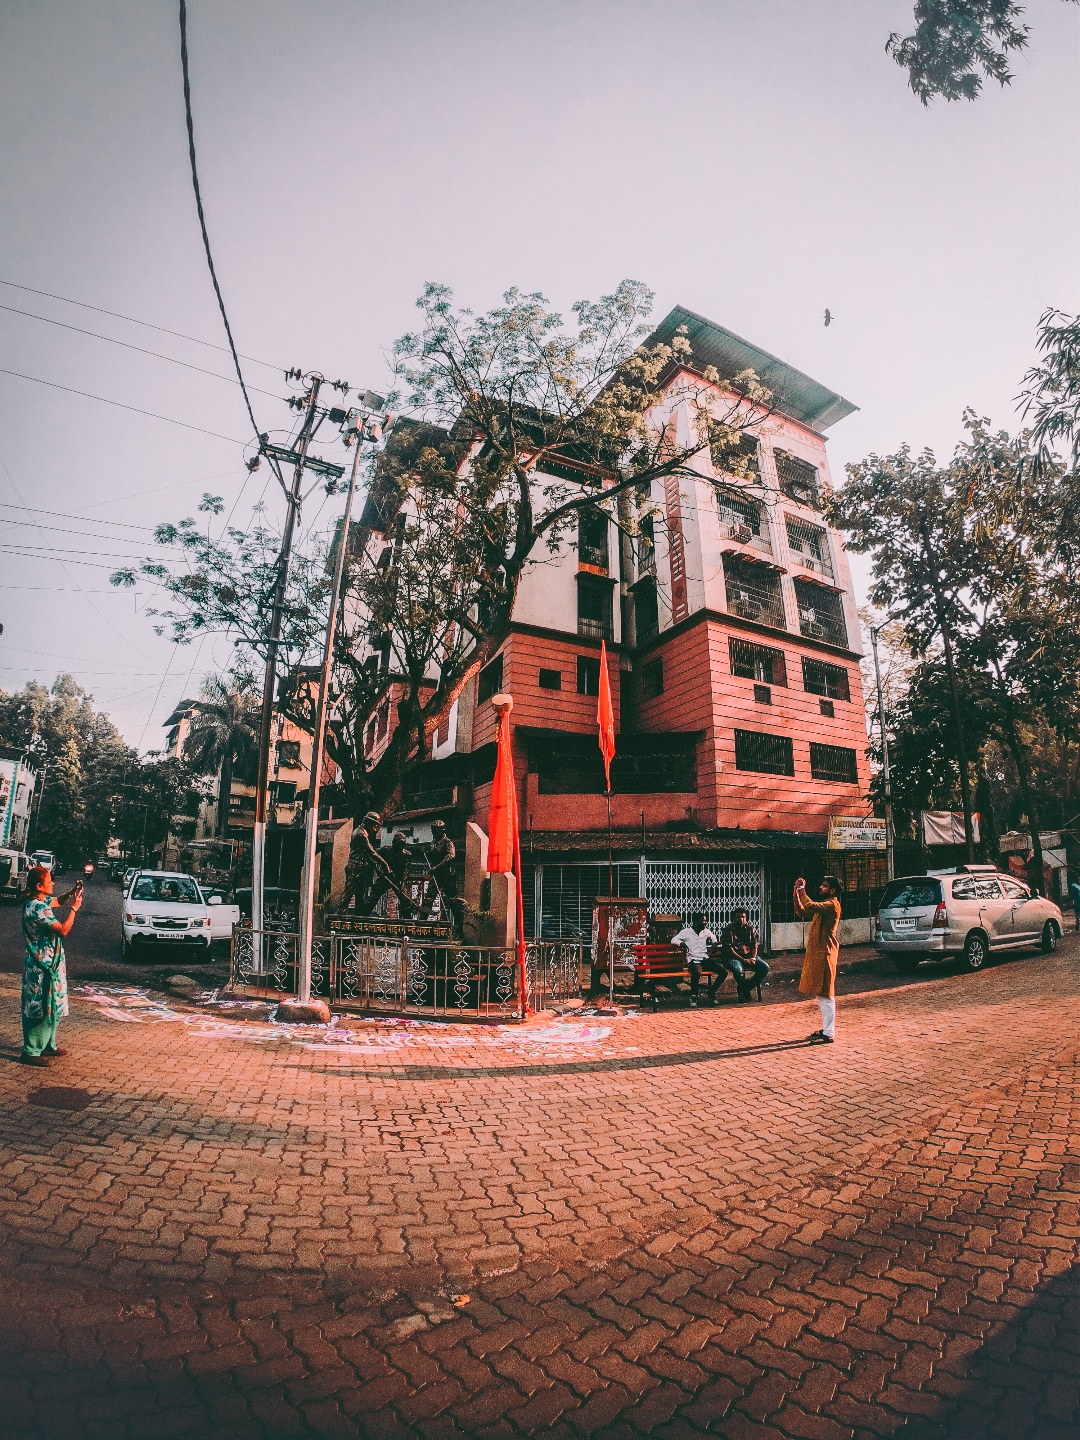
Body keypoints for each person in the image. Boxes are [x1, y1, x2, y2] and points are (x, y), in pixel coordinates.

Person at [21, 866, 82, 1067]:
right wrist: (74, 908)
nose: (53, 883)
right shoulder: (38, 908)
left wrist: (71, 893)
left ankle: (48, 1044)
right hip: (42, 965)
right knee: (38, 1006)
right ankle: (30, 1051)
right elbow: (63, 930)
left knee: (52, 1004)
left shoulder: (37, 902)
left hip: (49, 964)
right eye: (49, 881)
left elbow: (57, 901)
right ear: (39, 886)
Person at [794, 875, 842, 1044]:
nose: (821, 887)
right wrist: (796, 894)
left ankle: (829, 1033)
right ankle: (826, 1029)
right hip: (819, 954)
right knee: (821, 993)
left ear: (832, 890)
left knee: (826, 993)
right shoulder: (824, 906)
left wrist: (802, 890)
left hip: (826, 954)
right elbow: (802, 911)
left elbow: (810, 905)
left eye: (825, 885)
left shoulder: (831, 905)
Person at [712, 908, 770, 1002]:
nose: (741, 919)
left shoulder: (750, 928)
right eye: (738, 917)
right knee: (738, 970)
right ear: (733, 918)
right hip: (732, 957)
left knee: (765, 967)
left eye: (743, 917)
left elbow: (754, 945)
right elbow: (730, 949)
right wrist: (743, 960)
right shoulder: (728, 930)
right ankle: (745, 990)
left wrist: (753, 958)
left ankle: (745, 988)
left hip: (748, 956)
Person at [671, 911, 719, 1007]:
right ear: (696, 922)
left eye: (705, 921)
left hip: (705, 959)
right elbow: (673, 940)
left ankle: (711, 991)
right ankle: (694, 996)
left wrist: (714, 943)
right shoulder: (686, 932)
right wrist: (681, 943)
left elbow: (713, 937)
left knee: (723, 972)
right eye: (702, 921)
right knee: (696, 972)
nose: (705, 923)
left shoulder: (706, 931)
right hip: (693, 959)